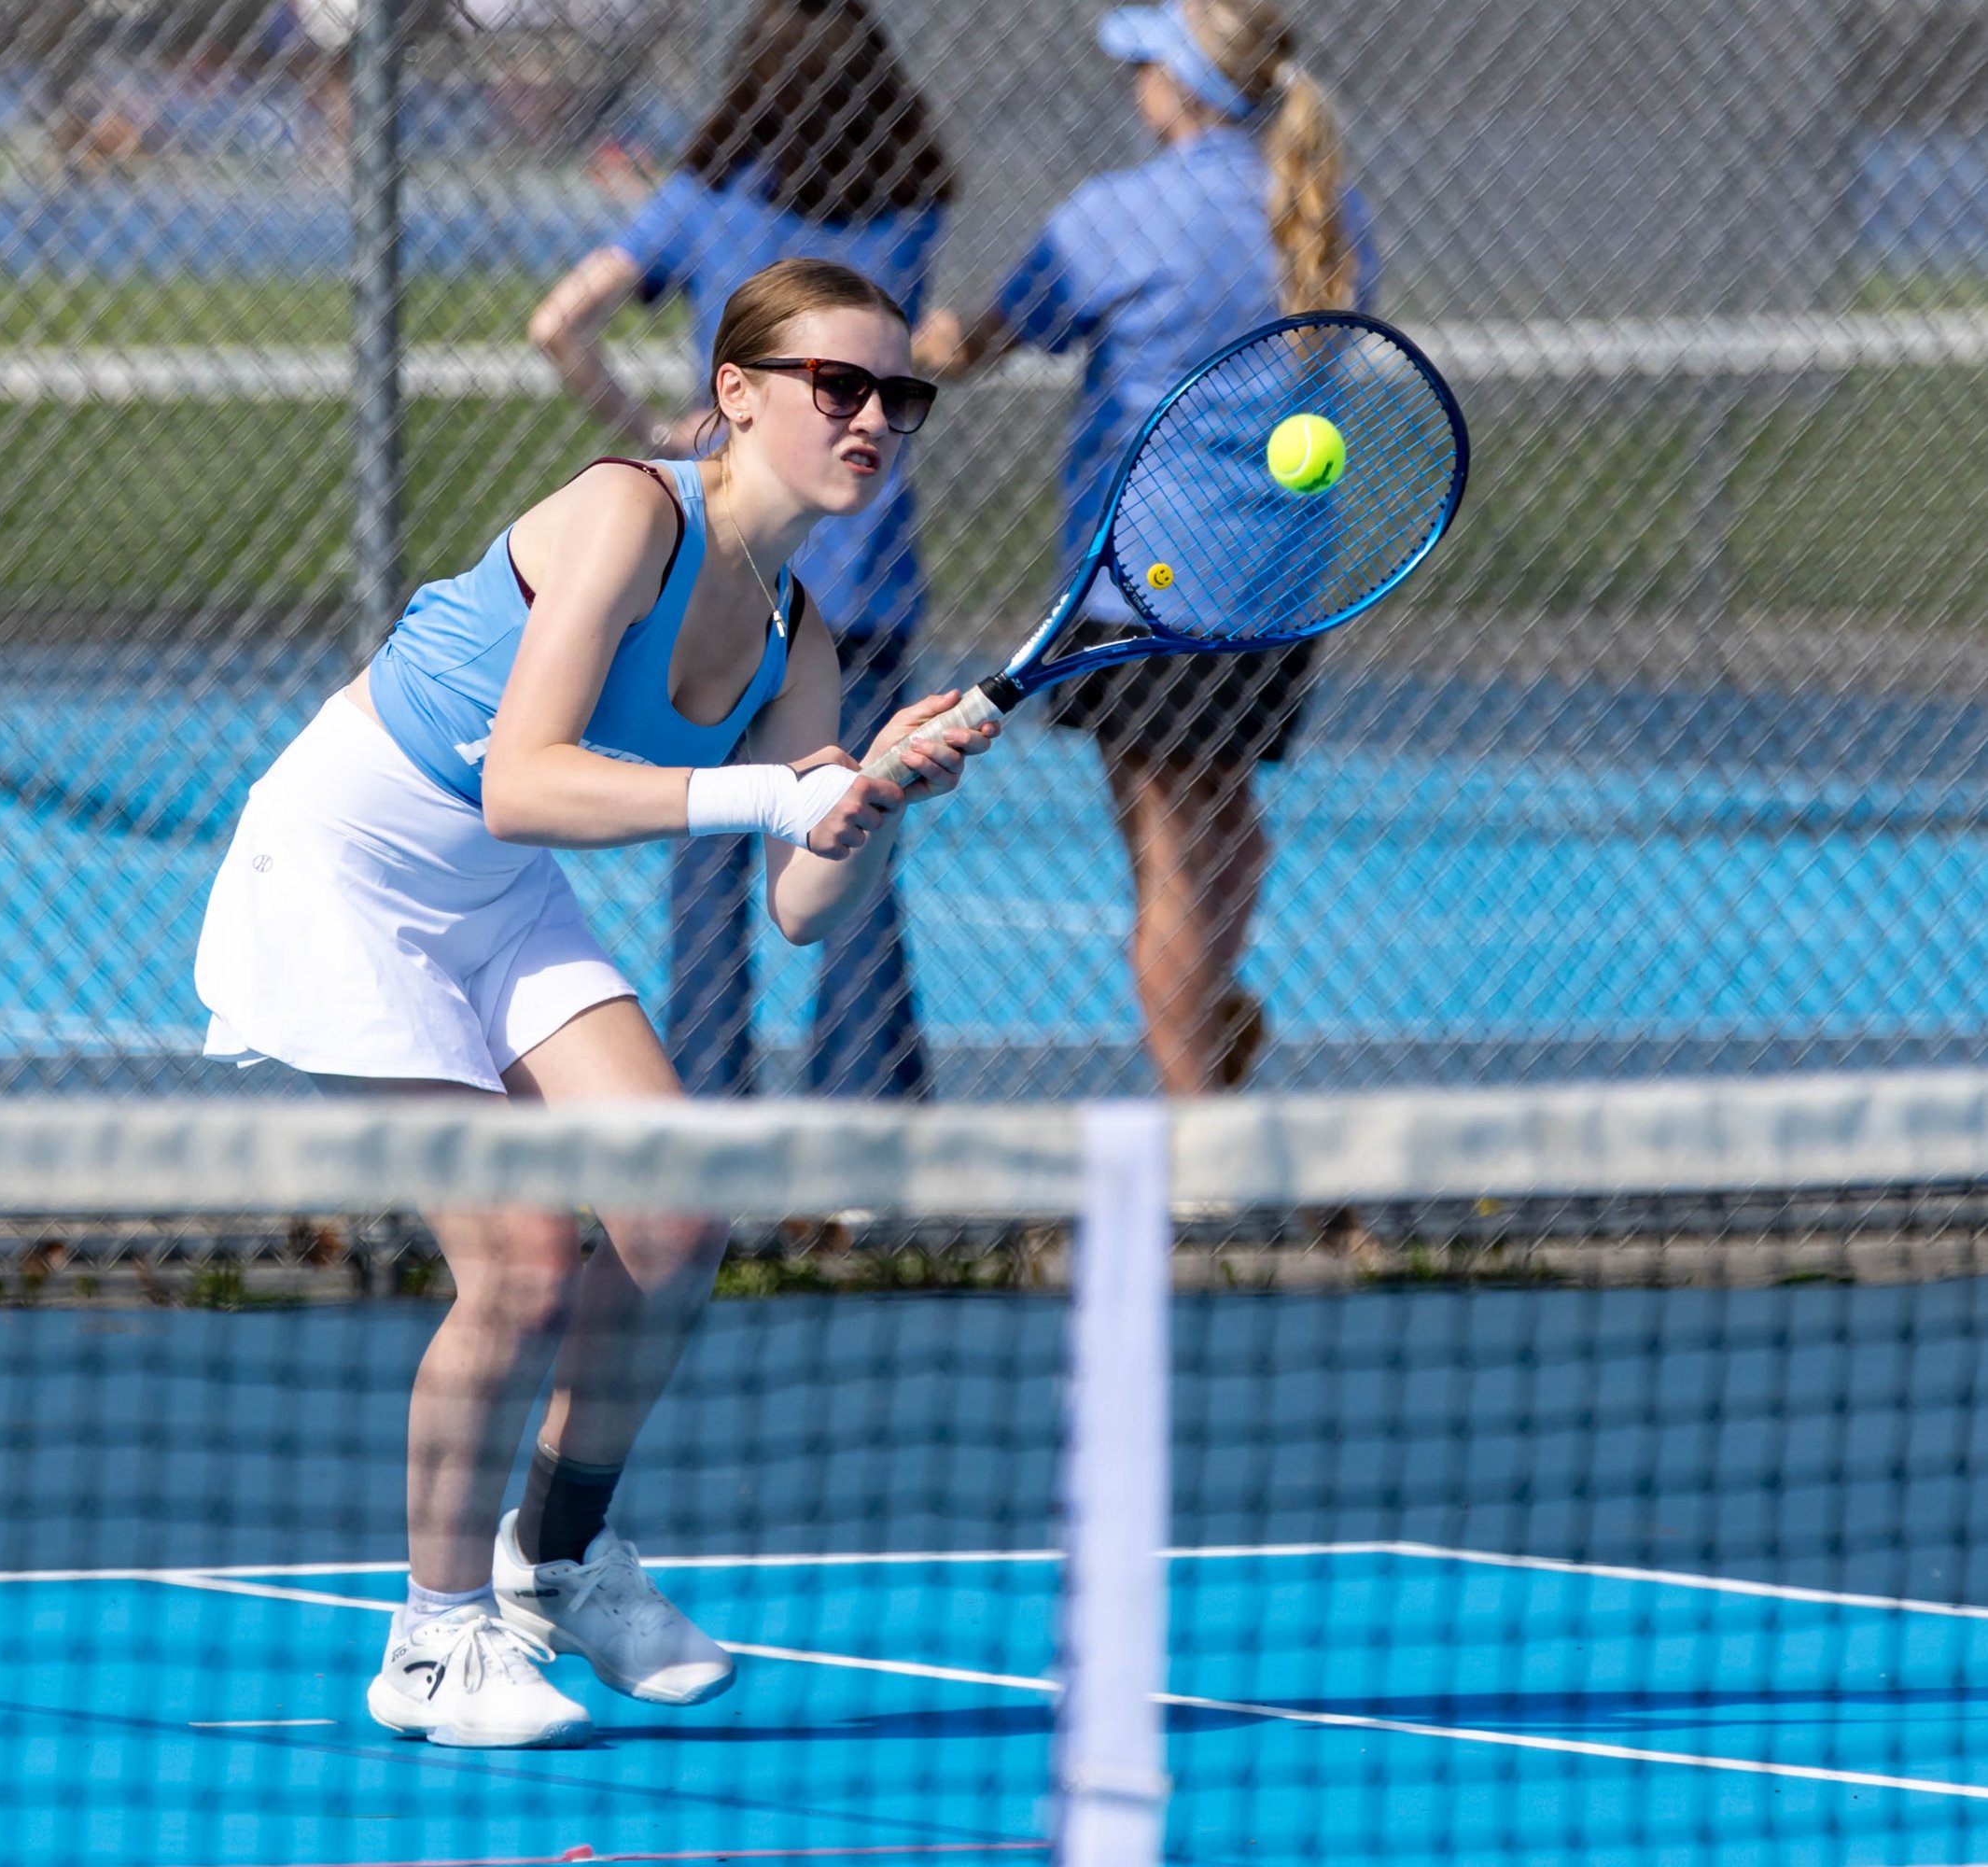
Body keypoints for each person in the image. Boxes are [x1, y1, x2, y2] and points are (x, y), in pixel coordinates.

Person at [193, 258, 989, 1748]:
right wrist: (779, 787)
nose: (875, 417)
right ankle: (430, 1646)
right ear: (739, 397)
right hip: (347, 874)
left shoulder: (799, 633)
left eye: (902, 395)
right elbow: (520, 778)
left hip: (494, 906)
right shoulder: (631, 510)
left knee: (682, 1214)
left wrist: (871, 793)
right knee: (519, 1262)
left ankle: (553, 1558)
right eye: (841, 386)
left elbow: (801, 909)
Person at [915, 0, 1375, 1095]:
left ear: (1181, 87)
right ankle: (1209, 1013)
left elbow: (980, 342)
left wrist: (916, 333)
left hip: (1149, 586)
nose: (1134, 85)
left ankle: (1192, 1121)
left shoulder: (1114, 216)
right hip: (1276, 586)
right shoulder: (1322, 205)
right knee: (1225, 824)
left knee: (1168, 860)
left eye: (1145, 67)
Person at [528, 0, 956, 1100]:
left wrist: (653, 433)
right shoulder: (908, 215)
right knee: (851, 841)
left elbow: (557, 322)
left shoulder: (705, 205)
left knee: (708, 858)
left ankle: (708, 1112)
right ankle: (870, 1132)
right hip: (865, 581)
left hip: (724, 580)